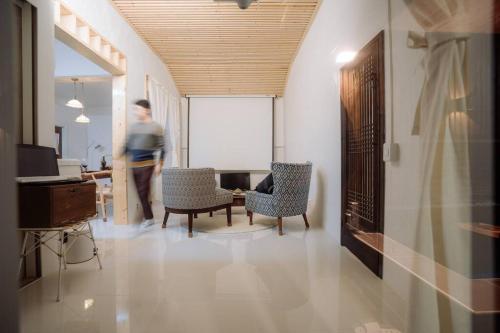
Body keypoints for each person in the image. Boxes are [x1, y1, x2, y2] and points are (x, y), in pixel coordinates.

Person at [123, 99, 165, 228]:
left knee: (142, 191)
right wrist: (118, 157)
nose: (136, 112)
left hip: (148, 164)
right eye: (135, 109)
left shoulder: (156, 127)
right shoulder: (133, 127)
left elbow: (162, 148)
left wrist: (159, 164)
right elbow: (127, 145)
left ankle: (148, 217)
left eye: (138, 109)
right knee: (140, 192)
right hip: (134, 165)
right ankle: (147, 215)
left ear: (147, 110)